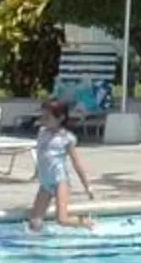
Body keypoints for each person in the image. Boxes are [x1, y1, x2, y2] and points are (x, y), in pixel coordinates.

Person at [27, 96, 97, 231]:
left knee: (62, 220)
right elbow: (42, 156)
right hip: (45, 183)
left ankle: (88, 223)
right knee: (34, 223)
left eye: (47, 117)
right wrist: (36, 172)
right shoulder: (42, 133)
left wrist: (87, 187)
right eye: (43, 116)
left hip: (60, 181)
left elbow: (77, 164)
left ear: (60, 118)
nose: (43, 120)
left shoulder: (67, 138)